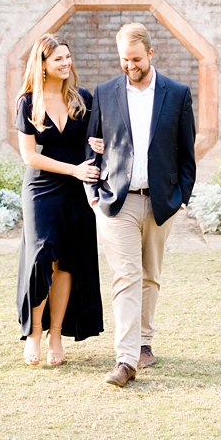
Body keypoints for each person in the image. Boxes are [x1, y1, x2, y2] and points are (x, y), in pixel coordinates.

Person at [86, 23, 197, 388]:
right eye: (124, 60)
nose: (130, 66)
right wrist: (93, 193)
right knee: (126, 277)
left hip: (161, 202)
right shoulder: (105, 93)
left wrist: (181, 197)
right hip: (117, 201)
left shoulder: (177, 94)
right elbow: (92, 145)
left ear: (151, 54)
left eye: (135, 59)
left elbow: (187, 154)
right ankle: (125, 358)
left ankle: (144, 341)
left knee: (150, 275)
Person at [14, 34, 105, 365]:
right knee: (42, 257)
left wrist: (99, 148)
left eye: (68, 57)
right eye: (58, 59)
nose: (66, 63)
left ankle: (56, 338)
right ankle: (34, 334)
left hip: (77, 189)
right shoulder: (27, 102)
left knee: (67, 261)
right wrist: (73, 169)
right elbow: (29, 156)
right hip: (42, 187)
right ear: (42, 65)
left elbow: (99, 138)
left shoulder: (84, 98)